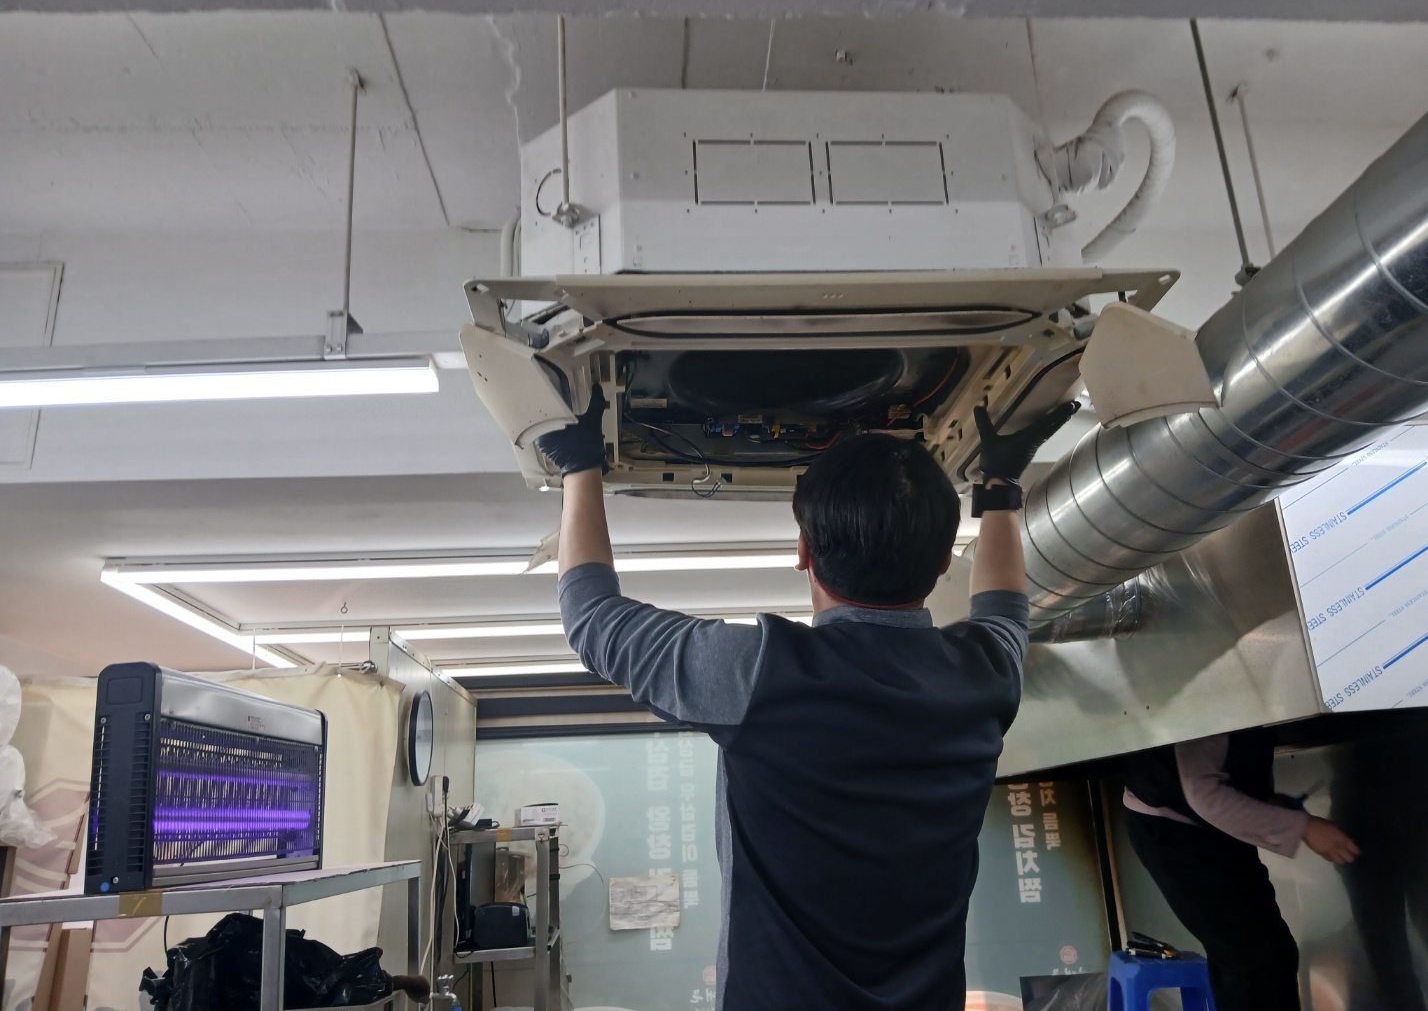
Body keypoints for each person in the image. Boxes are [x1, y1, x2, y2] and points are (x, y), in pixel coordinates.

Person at [537, 387, 1076, 1011]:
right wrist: (580, 463)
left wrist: (1001, 486)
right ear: (939, 566)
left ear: (803, 553)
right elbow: (1005, 610)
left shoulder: (761, 674)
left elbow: (592, 618)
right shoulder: (978, 676)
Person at [1122, 729, 1362, 1011]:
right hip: (1173, 831)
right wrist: (1303, 827)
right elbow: (1202, 792)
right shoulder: (1210, 707)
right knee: (1250, 962)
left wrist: (1269, 805)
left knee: (1277, 952)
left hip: (1217, 830)